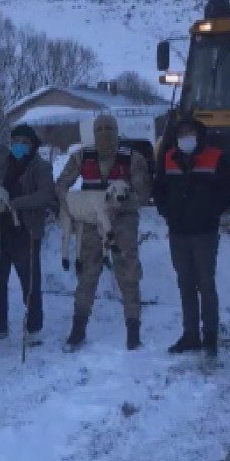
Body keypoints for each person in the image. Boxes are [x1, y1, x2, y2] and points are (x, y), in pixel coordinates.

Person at [55, 113, 151, 351]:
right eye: (99, 128)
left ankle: (133, 329)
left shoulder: (133, 158)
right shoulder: (81, 156)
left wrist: (119, 205)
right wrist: (72, 205)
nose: (104, 133)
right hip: (91, 222)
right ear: (93, 132)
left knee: (128, 274)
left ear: (117, 131)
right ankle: (78, 329)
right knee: (87, 275)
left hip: (123, 221)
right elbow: (61, 185)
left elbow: (143, 195)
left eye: (109, 128)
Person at [153, 116, 230, 357]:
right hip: (178, 232)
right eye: (181, 134)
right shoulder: (168, 157)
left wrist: (210, 211)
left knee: (206, 284)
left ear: (198, 135)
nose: (185, 138)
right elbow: (160, 190)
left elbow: (229, 190)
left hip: (204, 232)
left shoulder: (215, 157)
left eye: (189, 133)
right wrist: (167, 212)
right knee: (185, 284)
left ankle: (210, 336)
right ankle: (190, 335)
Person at [0, 124, 55, 346]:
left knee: (30, 284)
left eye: (24, 142)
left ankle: (33, 329)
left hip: (26, 232)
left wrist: (13, 203)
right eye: (15, 141)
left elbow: (45, 195)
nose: (19, 146)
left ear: (33, 145)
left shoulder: (41, 167)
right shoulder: (0, 164)